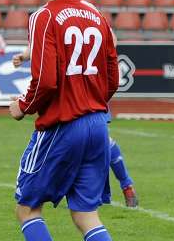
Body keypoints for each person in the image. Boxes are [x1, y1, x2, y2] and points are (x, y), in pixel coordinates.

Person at [9, 0, 130, 241]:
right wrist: (91, 99)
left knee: (27, 207)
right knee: (85, 213)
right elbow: (112, 77)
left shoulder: (43, 16)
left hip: (62, 124)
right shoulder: (97, 15)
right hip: (97, 124)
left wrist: (23, 106)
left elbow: (45, 80)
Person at [11, 51, 140, 208]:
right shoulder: (97, 27)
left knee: (27, 210)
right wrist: (26, 56)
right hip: (86, 98)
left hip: (86, 96)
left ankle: (125, 185)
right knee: (102, 141)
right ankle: (120, 186)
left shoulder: (93, 29)